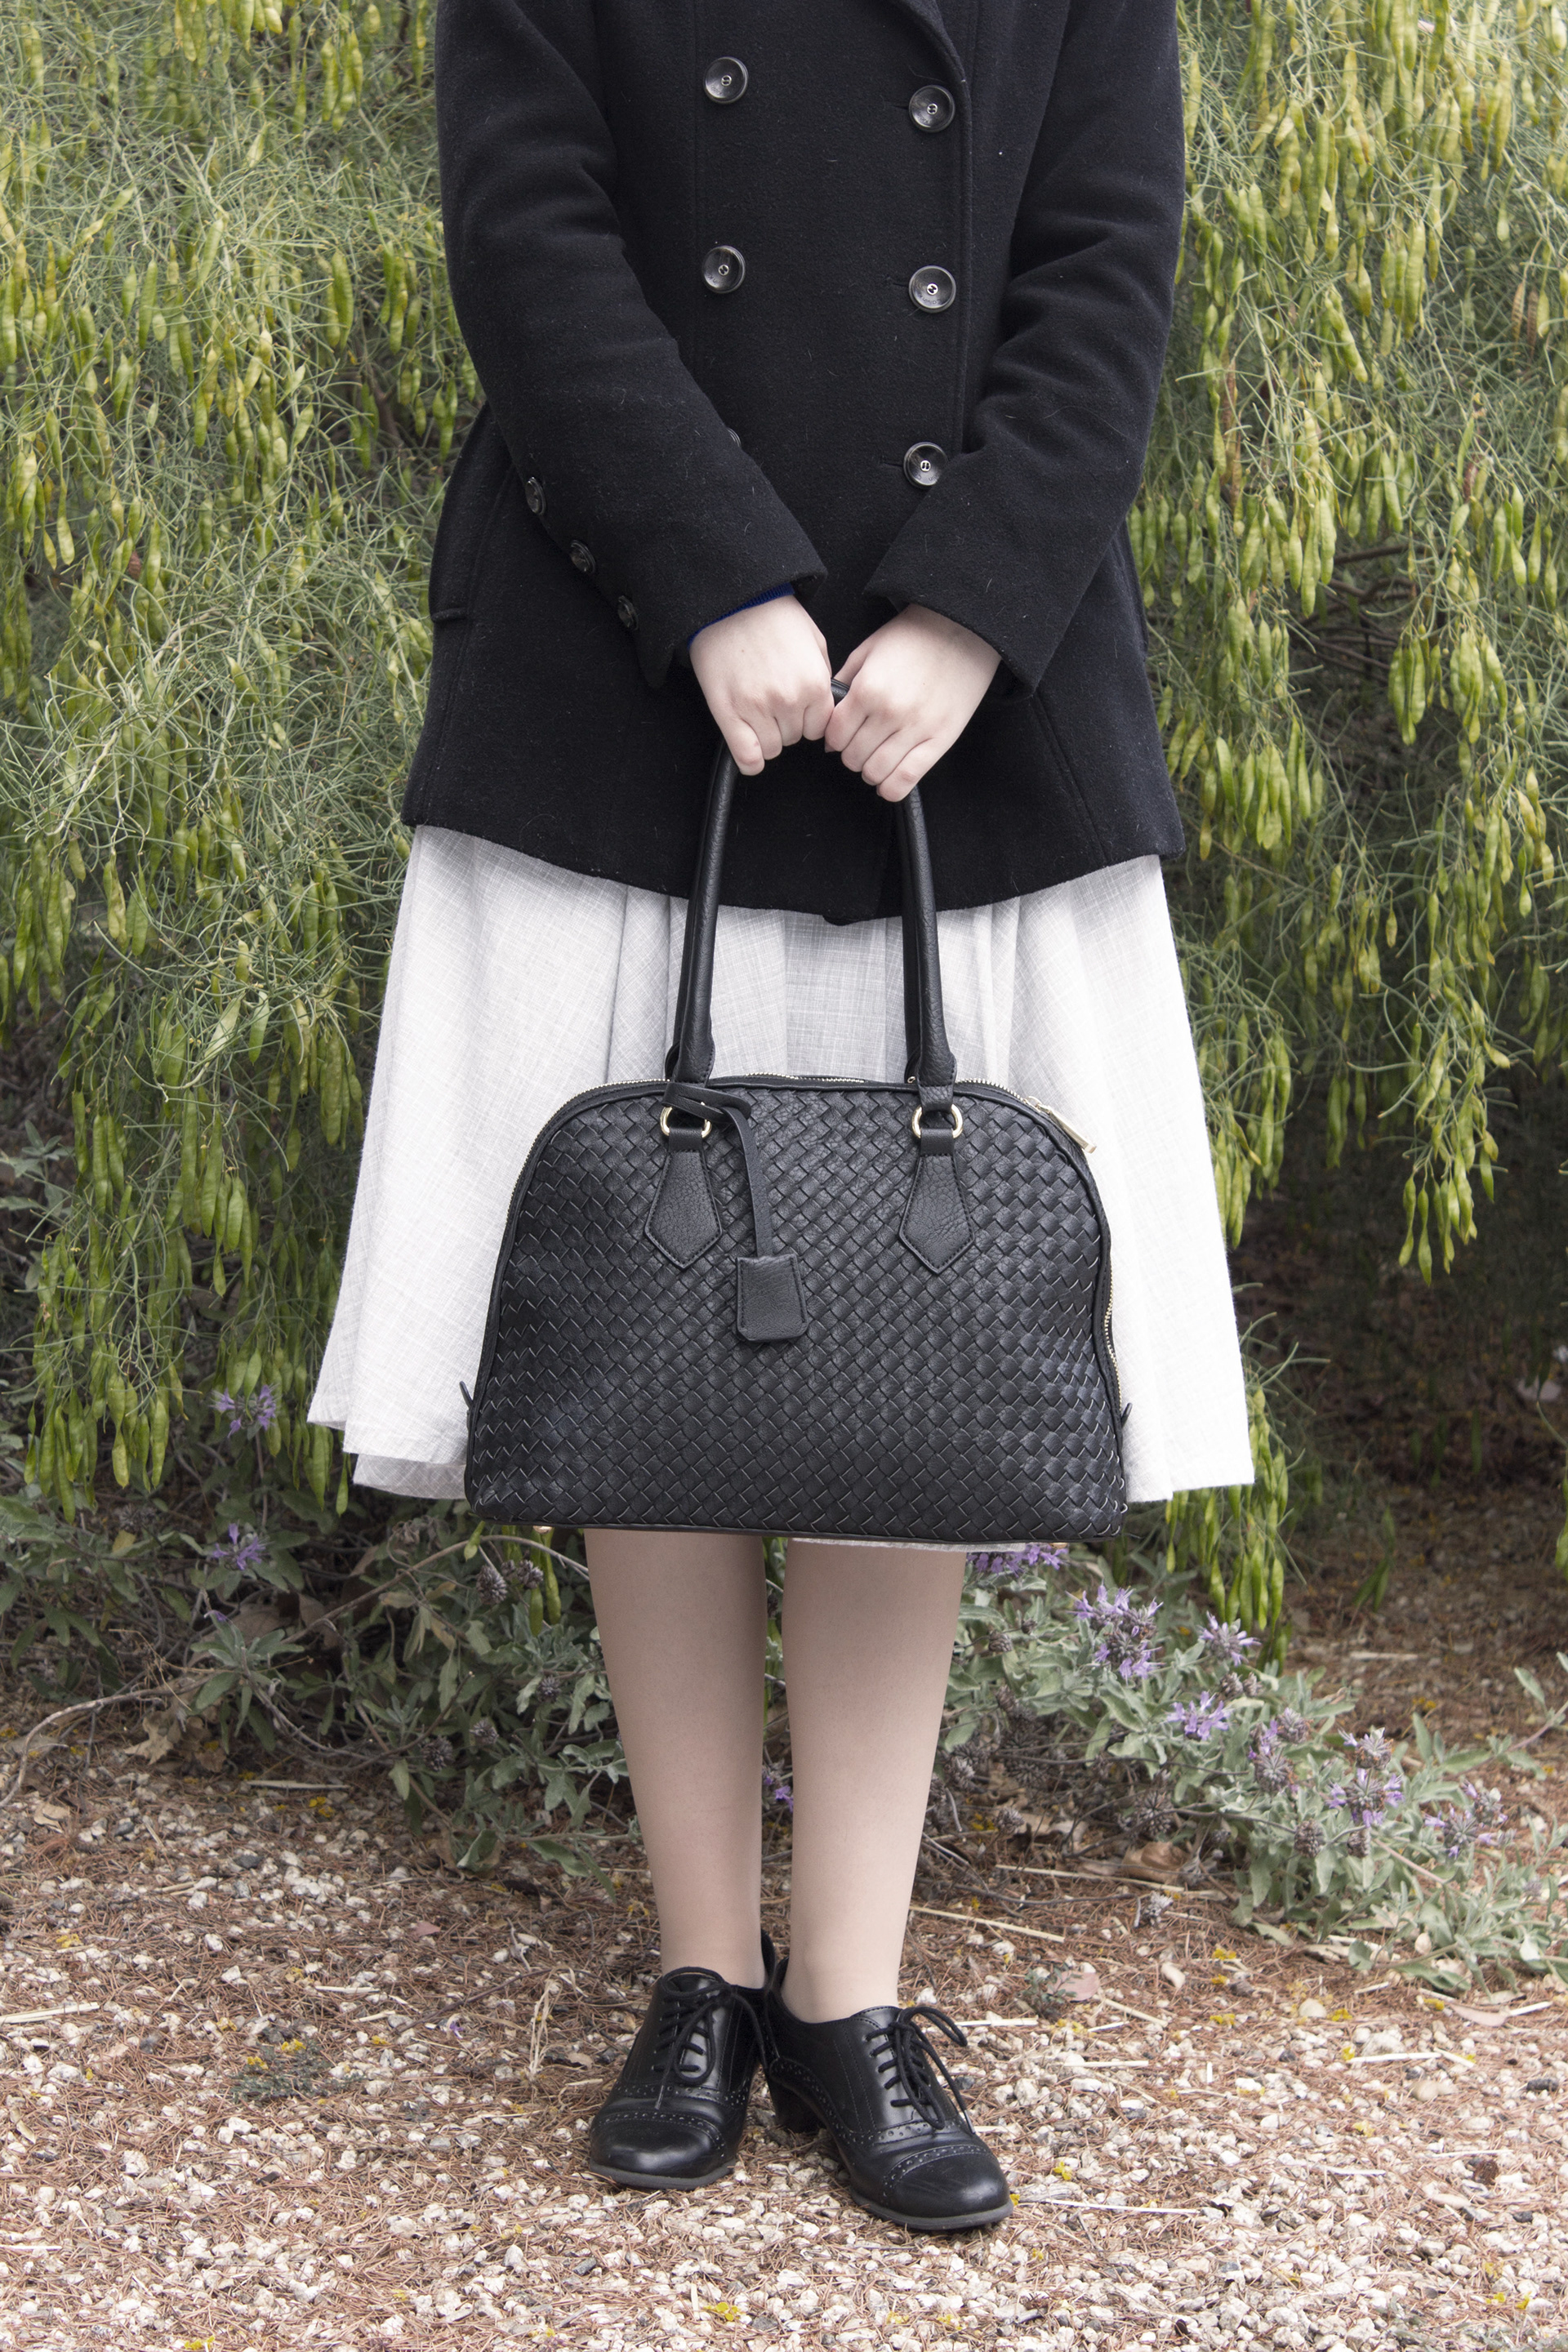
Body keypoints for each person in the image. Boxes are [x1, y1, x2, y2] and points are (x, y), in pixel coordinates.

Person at [311, 0, 1253, 2231]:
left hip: (966, 712)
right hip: (625, 666)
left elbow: (1107, 261)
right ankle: (700, 1973)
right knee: (650, 1339)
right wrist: (712, 570)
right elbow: (529, 230)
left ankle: (853, 1996)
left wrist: (970, 606)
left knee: (909, 1357)